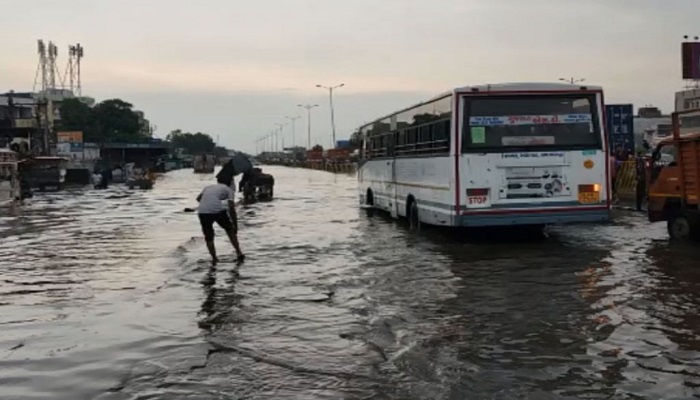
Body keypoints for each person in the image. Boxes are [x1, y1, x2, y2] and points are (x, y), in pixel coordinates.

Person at [196, 175, 244, 266]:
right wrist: (235, 224)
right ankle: (239, 252)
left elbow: (198, 199)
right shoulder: (228, 190)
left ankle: (214, 258)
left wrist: (210, 203)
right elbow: (231, 208)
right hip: (218, 211)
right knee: (230, 230)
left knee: (209, 235)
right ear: (231, 183)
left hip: (202, 211)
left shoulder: (208, 187)